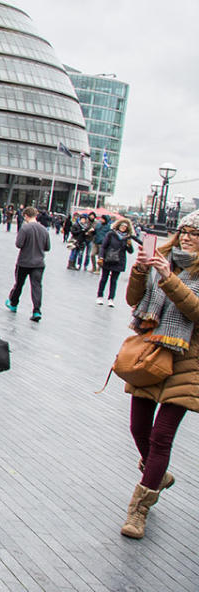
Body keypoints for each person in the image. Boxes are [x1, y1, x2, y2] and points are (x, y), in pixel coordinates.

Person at [118, 212, 199, 539]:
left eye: (195, 232)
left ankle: (139, 509)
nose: (188, 237)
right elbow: (133, 300)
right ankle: (158, 472)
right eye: (184, 230)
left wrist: (169, 279)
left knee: (161, 436)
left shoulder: (177, 271)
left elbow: (195, 310)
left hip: (186, 361)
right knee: (138, 426)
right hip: (150, 355)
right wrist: (140, 270)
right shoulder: (162, 258)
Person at [4, 206, 50, 322]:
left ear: (25, 216)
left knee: (19, 284)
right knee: (36, 286)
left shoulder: (25, 228)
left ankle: (13, 303)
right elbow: (47, 247)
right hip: (39, 263)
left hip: (24, 262)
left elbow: (19, 244)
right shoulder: (44, 230)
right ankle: (36, 310)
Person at [96, 217, 135, 307]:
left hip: (119, 261)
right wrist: (101, 257)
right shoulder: (111, 234)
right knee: (104, 278)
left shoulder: (127, 238)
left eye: (125, 227)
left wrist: (129, 245)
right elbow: (103, 246)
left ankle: (111, 298)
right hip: (108, 259)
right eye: (122, 226)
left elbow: (130, 251)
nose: (123, 228)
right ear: (118, 226)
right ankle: (100, 296)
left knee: (114, 280)